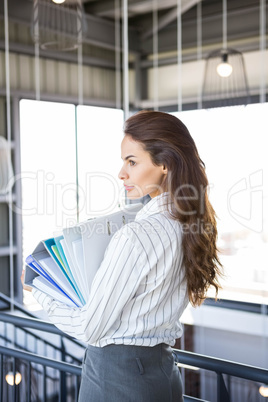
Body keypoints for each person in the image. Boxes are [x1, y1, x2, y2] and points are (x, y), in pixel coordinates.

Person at [22, 110, 222, 402]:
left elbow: (89, 328)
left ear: (165, 164)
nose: (121, 173)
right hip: (164, 372)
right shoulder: (191, 222)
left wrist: (38, 287)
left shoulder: (135, 235)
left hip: (116, 376)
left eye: (132, 161)